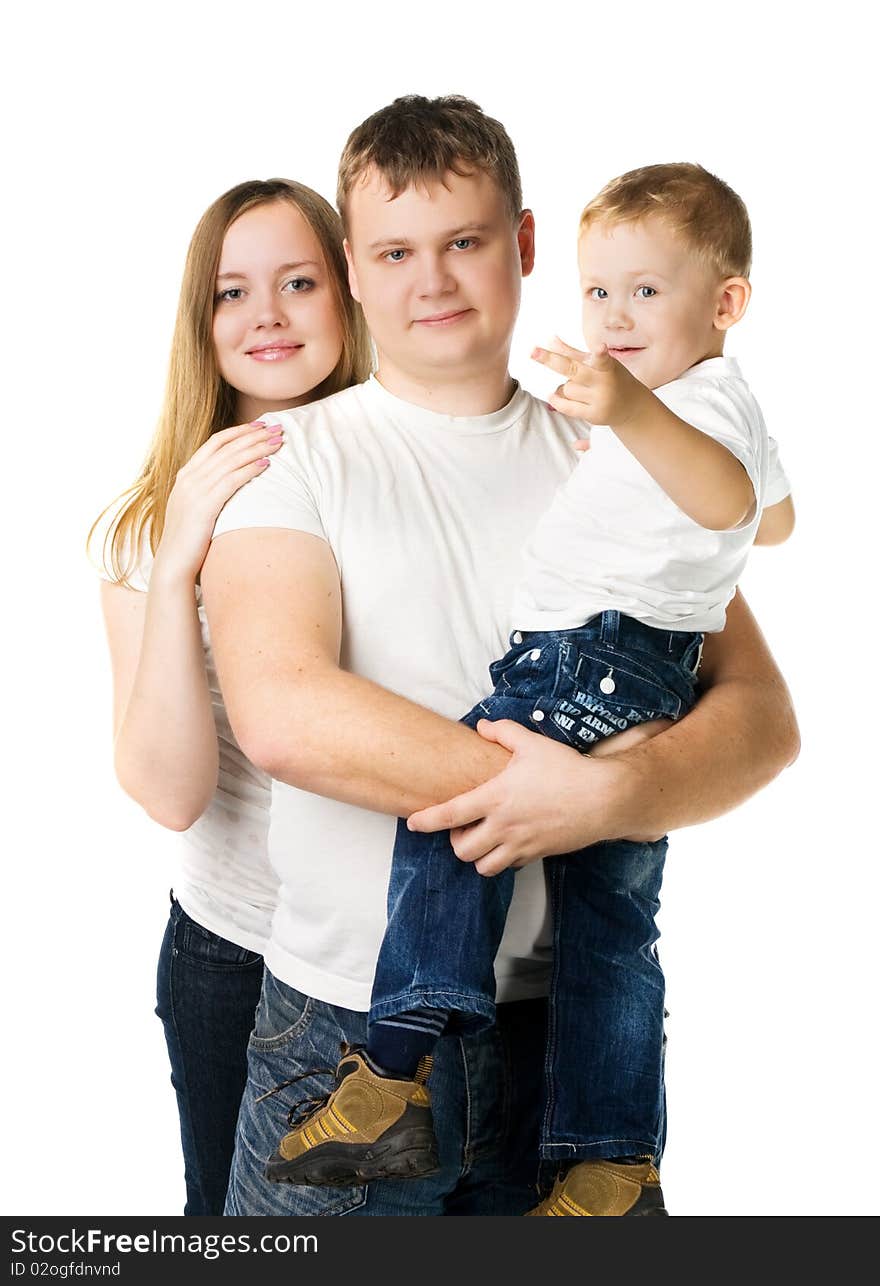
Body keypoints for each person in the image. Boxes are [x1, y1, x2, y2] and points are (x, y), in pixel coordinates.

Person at [201, 96, 799, 1218]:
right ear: (352, 267)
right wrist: (567, 799)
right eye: (394, 252)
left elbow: (762, 717)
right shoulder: (293, 457)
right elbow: (285, 710)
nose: (432, 282)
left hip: (563, 1049)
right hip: (342, 1025)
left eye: (465, 242)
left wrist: (613, 792)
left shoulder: (624, 447)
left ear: (523, 246)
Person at [90, 178, 371, 1215]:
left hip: (413, 953)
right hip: (234, 954)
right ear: (198, 325)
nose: (268, 314)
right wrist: (175, 570)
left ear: (346, 297)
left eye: (300, 281)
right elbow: (169, 792)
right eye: (232, 292)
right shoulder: (147, 524)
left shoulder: (405, 467)